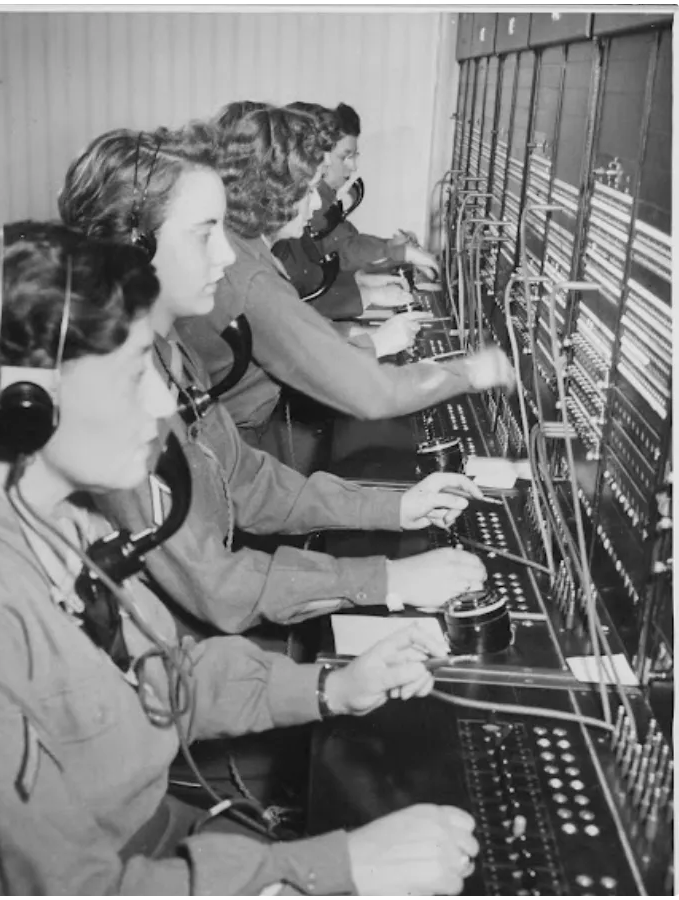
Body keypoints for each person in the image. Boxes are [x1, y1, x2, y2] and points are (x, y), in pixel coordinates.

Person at [0, 220, 479, 895]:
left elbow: (164, 675)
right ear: (26, 402)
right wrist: (330, 870)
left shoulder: (52, 507)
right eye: (137, 372)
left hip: (159, 835)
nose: (161, 403)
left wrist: (330, 687)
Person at [59, 125, 489, 634]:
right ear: (135, 250)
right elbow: (214, 585)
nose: (225, 256)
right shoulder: (109, 400)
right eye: (204, 234)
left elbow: (247, 482)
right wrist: (387, 579)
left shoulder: (166, 353)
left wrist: (395, 506)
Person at [183, 103, 516, 471]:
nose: (314, 207)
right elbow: (373, 394)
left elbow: (294, 335)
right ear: (274, 193)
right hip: (232, 452)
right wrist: (472, 372)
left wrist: (363, 339)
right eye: (308, 190)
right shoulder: (252, 279)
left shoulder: (250, 252)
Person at [272, 102, 442, 322]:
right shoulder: (307, 208)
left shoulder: (314, 203)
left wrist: (362, 281)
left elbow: (317, 271)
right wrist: (396, 254)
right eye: (345, 156)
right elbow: (342, 251)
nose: (354, 167)